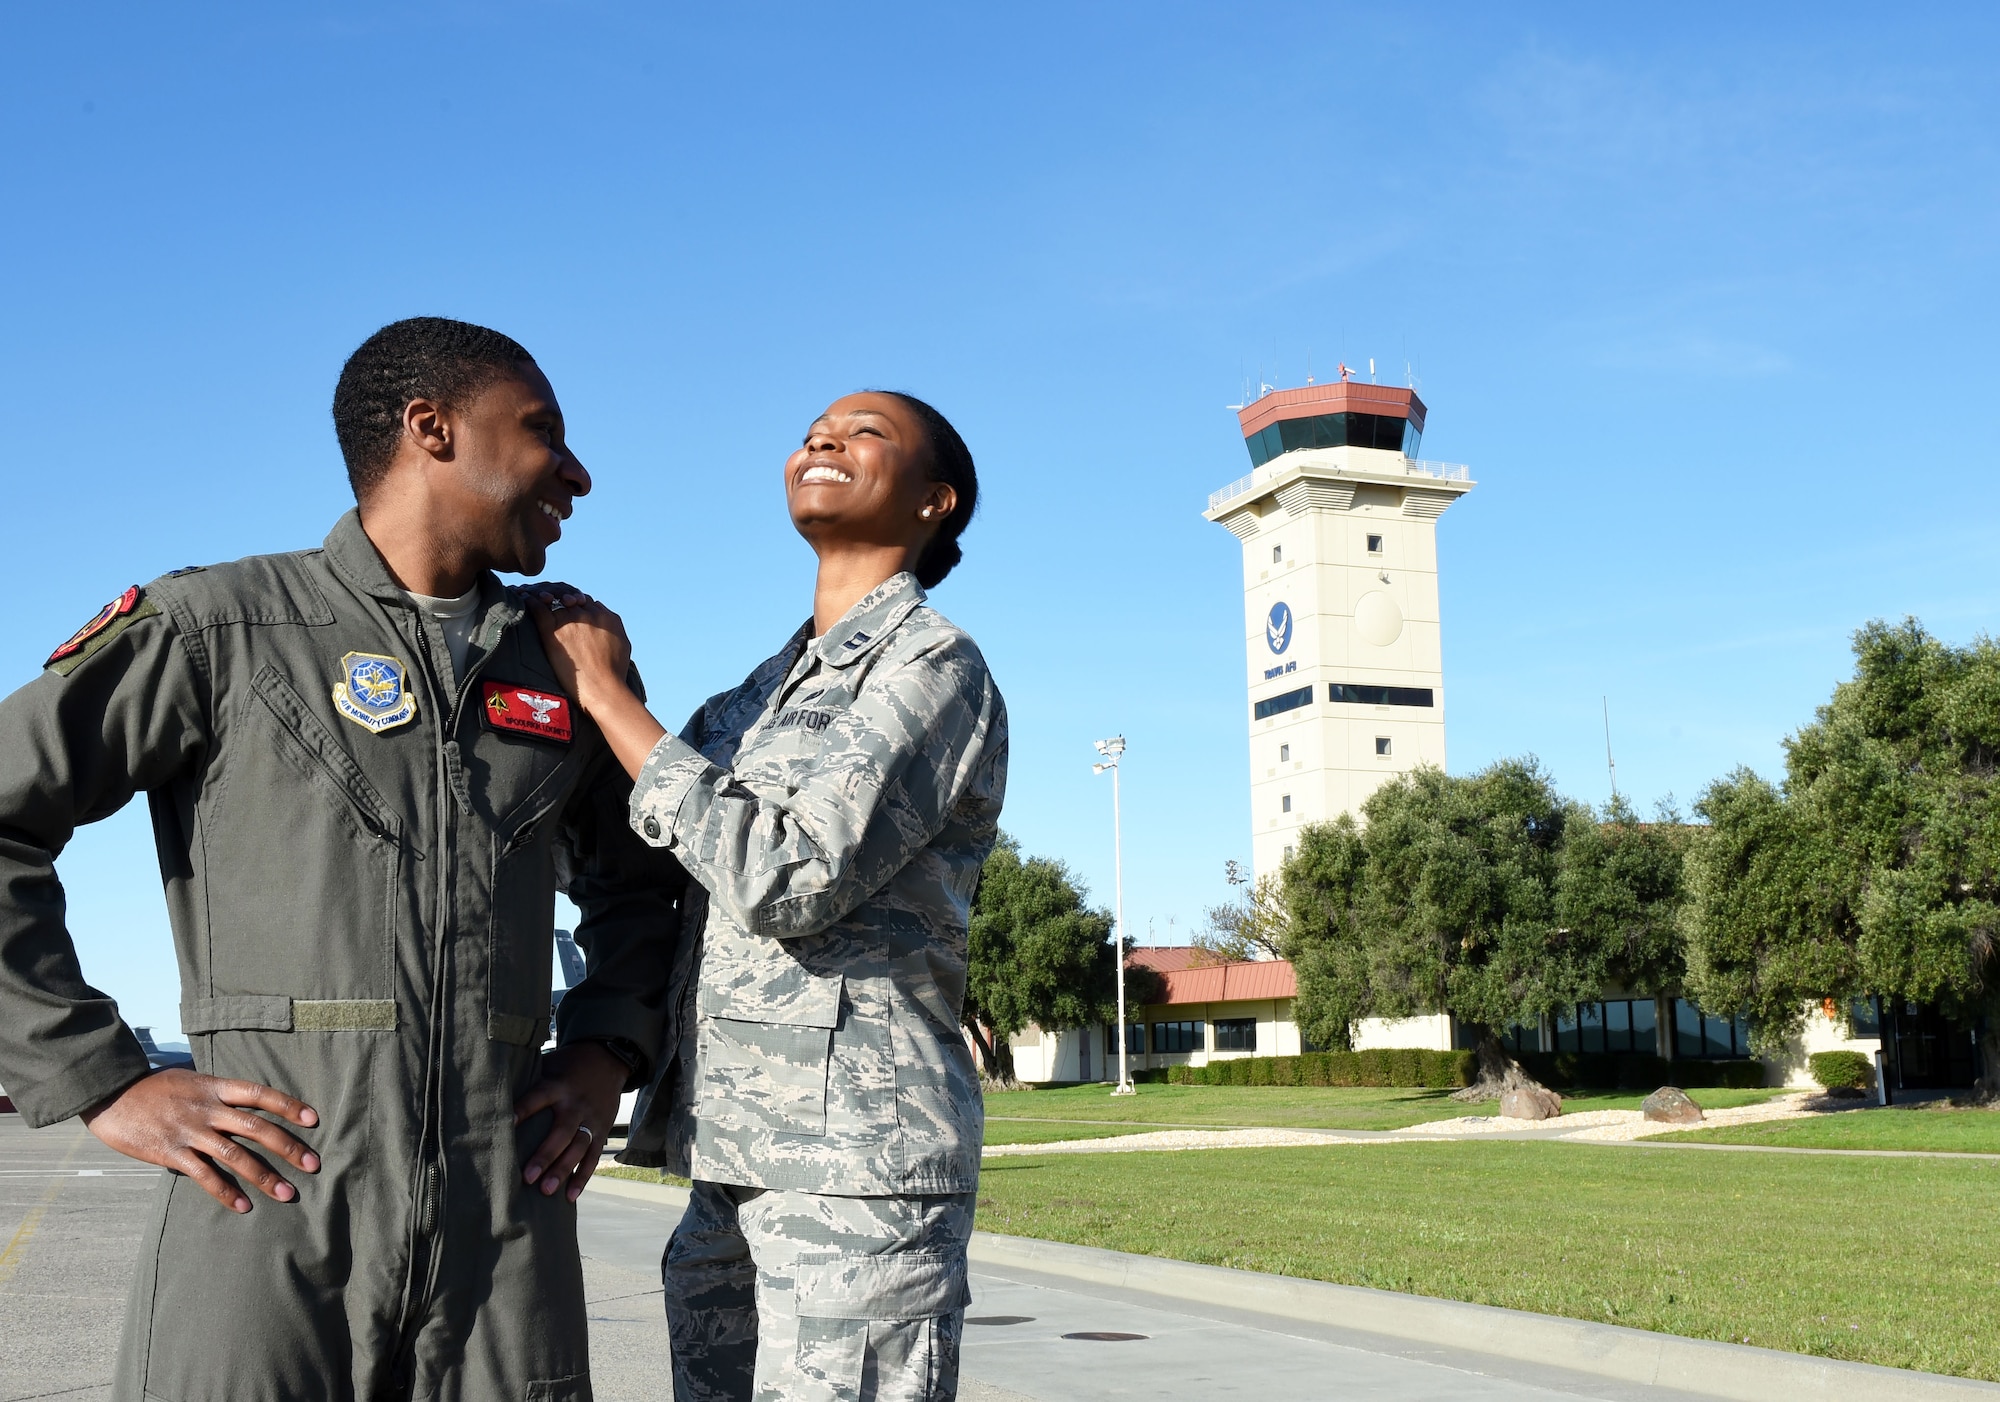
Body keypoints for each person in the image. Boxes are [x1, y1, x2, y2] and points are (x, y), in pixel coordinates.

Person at [0, 317, 683, 1401]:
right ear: (431, 428)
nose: (577, 471)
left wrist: (606, 1050)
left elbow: (647, 883)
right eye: (543, 429)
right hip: (269, 1209)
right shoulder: (218, 630)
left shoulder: (563, 664)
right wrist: (97, 1075)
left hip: (503, 1229)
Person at [529, 390, 1007, 1401]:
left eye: (865, 431)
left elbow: (787, 875)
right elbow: (651, 861)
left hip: (857, 1179)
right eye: (812, 430)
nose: (824, 439)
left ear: (936, 501)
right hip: (731, 1162)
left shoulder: (933, 666)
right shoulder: (745, 701)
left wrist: (612, 699)